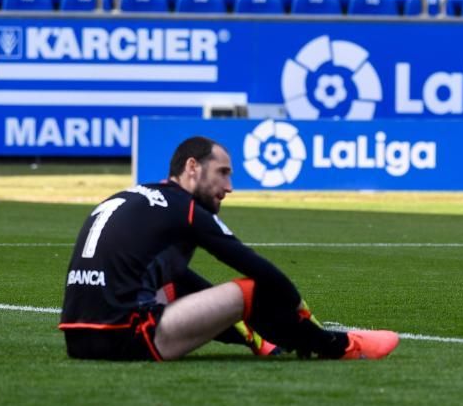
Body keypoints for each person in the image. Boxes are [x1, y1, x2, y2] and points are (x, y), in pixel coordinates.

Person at [59, 136, 400, 361]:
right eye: (222, 173)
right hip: (126, 338)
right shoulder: (185, 207)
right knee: (253, 290)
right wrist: (300, 308)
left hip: (78, 340)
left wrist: (251, 334)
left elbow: (178, 279)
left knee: (176, 282)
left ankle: (260, 341)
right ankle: (338, 346)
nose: (229, 186)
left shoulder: (132, 196)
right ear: (192, 167)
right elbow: (255, 267)